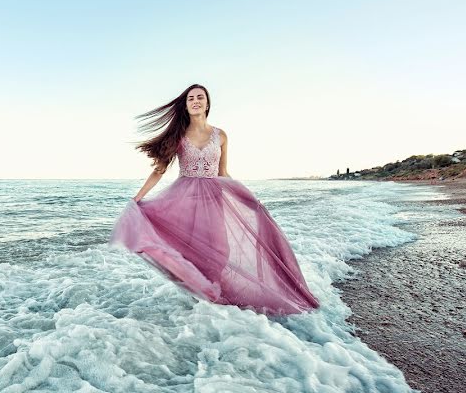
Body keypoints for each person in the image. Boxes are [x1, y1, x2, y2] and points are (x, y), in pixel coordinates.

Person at [109, 84, 320, 316]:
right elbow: (159, 170)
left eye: (200, 97)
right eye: (191, 98)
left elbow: (223, 173)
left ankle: (212, 298)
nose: (196, 101)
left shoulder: (220, 135)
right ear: (186, 105)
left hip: (214, 198)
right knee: (189, 250)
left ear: (207, 104)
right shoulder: (178, 135)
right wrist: (137, 198)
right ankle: (201, 300)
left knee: (221, 249)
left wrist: (248, 197)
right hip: (184, 198)